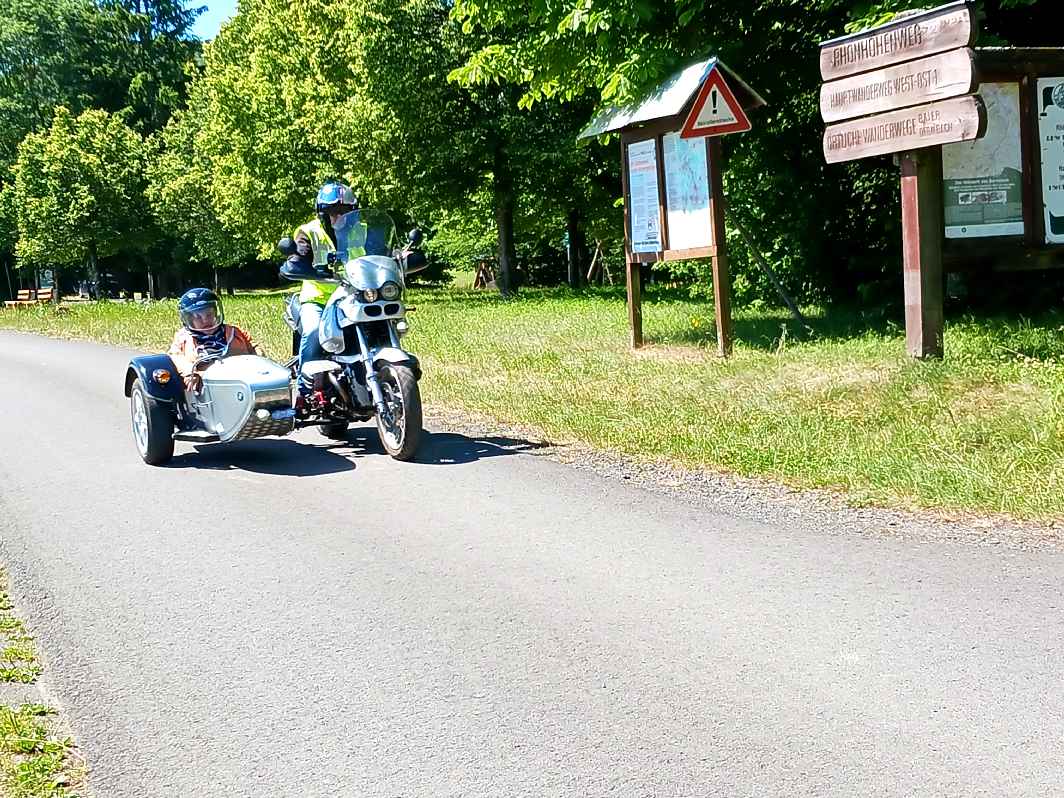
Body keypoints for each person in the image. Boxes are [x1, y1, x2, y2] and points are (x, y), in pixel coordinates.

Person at [288, 182, 366, 384]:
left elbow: (381, 250)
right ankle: (304, 386)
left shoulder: (363, 230)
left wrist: (400, 256)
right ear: (322, 213)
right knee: (314, 331)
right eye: (331, 211)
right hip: (319, 299)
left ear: (353, 211)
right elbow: (299, 254)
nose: (337, 216)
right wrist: (297, 261)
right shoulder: (309, 231)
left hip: (354, 296)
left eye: (343, 211)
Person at [169, 288, 259, 392]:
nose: (205, 320)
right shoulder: (183, 338)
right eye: (198, 317)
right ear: (189, 319)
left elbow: (255, 348)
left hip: (242, 380)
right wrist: (190, 373)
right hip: (207, 386)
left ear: (216, 313)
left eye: (209, 314)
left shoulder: (235, 332)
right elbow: (175, 356)